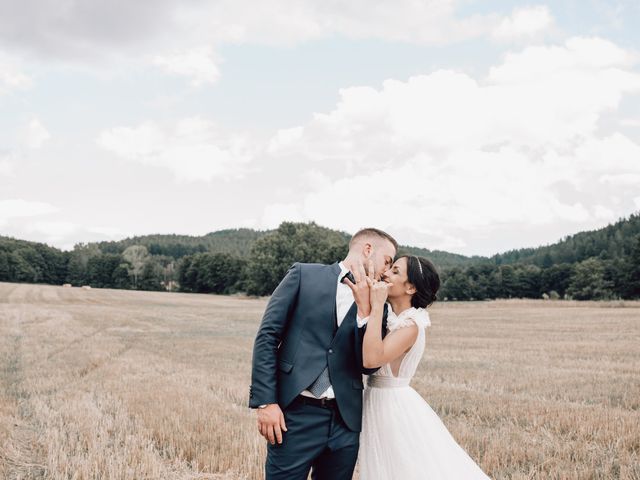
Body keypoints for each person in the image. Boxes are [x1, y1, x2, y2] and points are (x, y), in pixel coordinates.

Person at [249, 228, 398, 480]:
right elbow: (267, 337)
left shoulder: (379, 305)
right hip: (293, 415)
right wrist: (266, 402)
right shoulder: (303, 274)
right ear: (368, 249)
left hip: (345, 421)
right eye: (387, 261)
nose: (387, 270)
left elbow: (369, 366)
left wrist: (366, 314)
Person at [345, 255, 492, 479]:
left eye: (395, 272)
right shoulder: (391, 318)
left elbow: (371, 360)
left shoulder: (411, 326)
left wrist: (374, 307)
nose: (386, 274)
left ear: (411, 287)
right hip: (376, 399)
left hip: (391, 406)